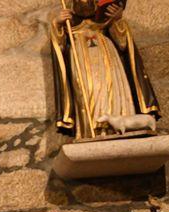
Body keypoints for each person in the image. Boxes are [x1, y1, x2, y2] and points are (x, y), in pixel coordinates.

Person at [48, 0, 158, 140]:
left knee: (113, 87)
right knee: (88, 89)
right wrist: (57, 24)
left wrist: (117, 19)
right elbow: (59, 47)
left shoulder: (103, 15)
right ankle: (92, 131)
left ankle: (118, 128)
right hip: (81, 56)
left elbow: (123, 43)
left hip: (107, 54)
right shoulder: (67, 14)